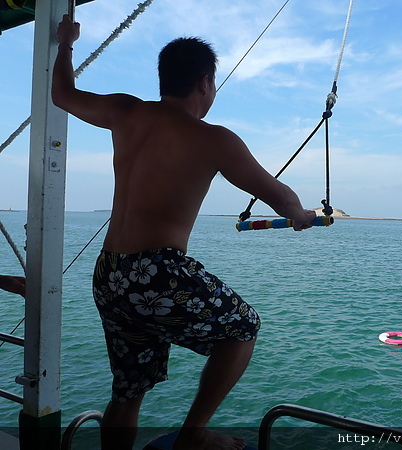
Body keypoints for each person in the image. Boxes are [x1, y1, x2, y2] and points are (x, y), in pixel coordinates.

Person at [52, 15, 316, 450]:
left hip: (110, 273)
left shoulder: (125, 110)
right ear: (205, 83)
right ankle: (193, 435)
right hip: (156, 273)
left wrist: (65, 44)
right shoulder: (213, 139)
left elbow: (61, 93)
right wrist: (301, 214)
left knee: (129, 390)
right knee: (243, 329)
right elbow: (280, 198)